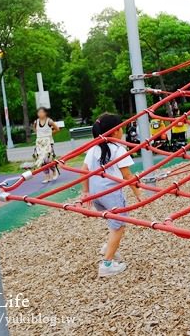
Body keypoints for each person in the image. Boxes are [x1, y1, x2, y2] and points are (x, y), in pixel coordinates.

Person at [81, 113, 140, 277]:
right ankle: (106, 263)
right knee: (119, 225)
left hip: (96, 194)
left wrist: (86, 192)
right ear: (114, 132)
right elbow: (128, 176)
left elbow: (84, 171)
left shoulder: (93, 148)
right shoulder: (119, 149)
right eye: (120, 127)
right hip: (111, 194)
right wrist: (138, 193)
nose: (122, 130)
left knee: (114, 223)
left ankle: (109, 248)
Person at [32, 107, 60, 184]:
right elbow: (35, 129)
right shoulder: (36, 122)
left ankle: (54, 171)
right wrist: (40, 136)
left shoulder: (49, 121)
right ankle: (47, 176)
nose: (40, 114)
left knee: (48, 159)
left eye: (42, 112)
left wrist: (49, 134)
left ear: (45, 113)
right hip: (40, 143)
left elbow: (57, 129)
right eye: (39, 112)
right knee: (41, 160)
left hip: (48, 142)